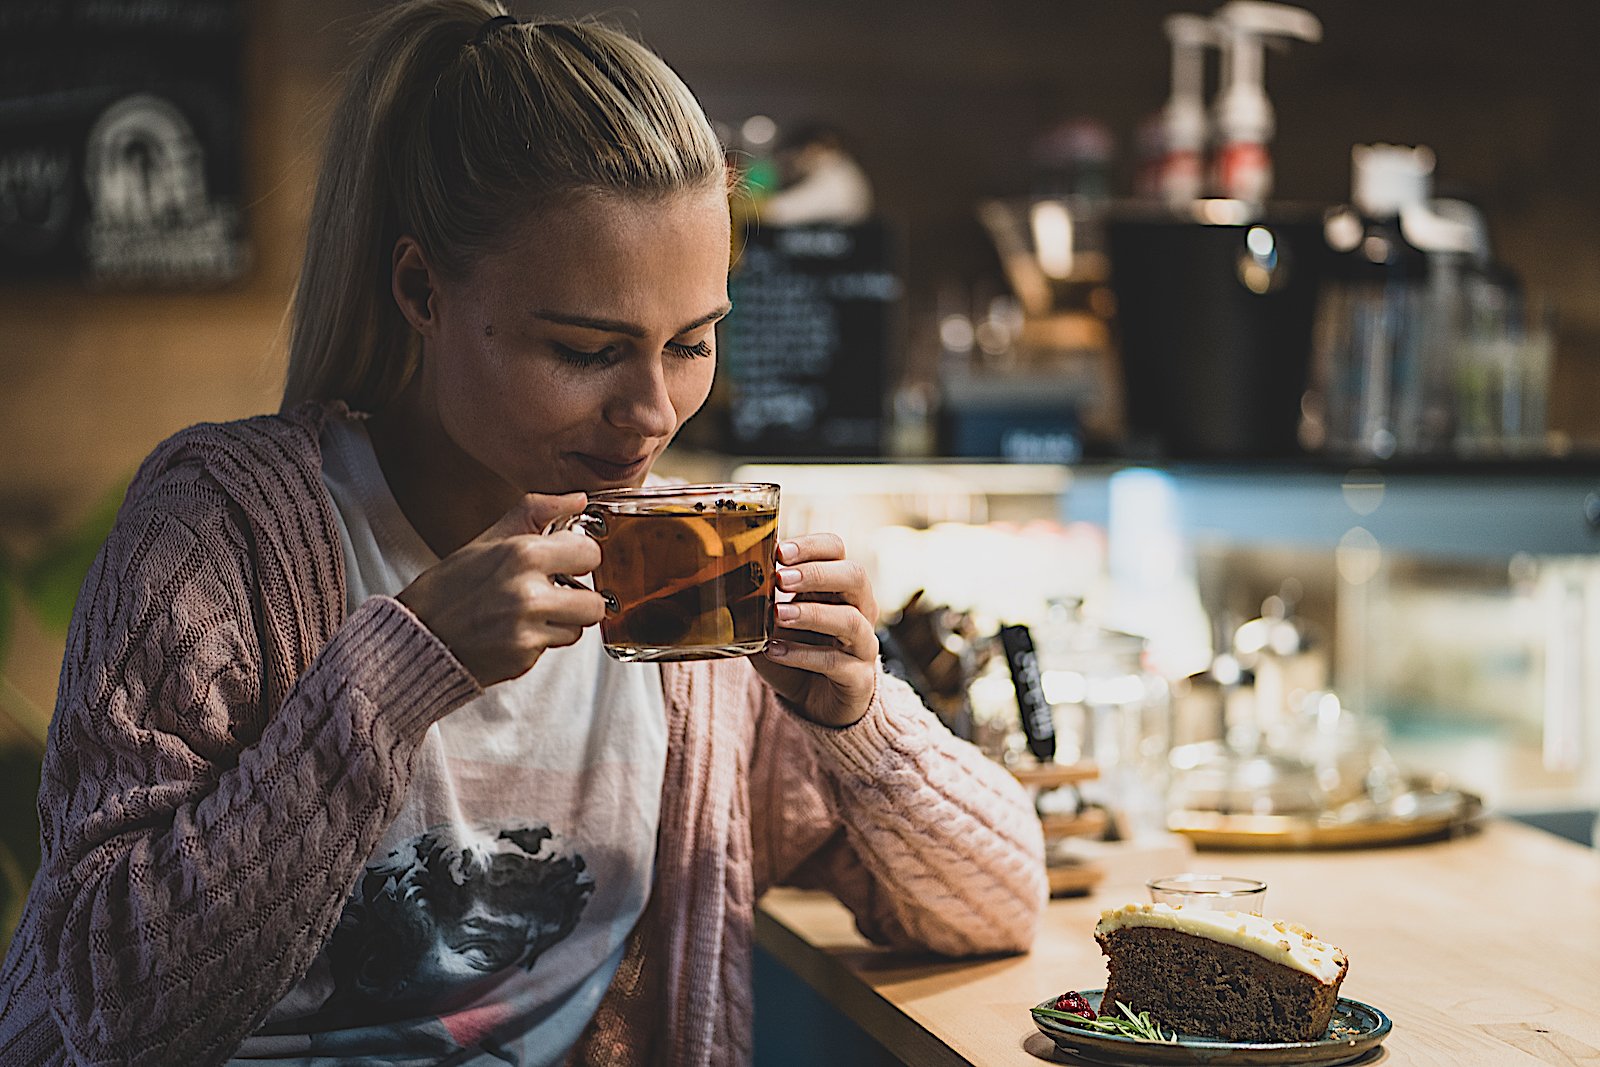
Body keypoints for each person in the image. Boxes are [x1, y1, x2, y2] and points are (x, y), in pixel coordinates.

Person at [0, 2, 1047, 1064]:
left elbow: (998, 907)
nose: (652, 413)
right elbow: (110, 1008)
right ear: (421, 289)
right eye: (588, 350)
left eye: (690, 343)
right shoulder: (226, 525)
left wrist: (858, 720)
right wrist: (398, 671)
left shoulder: (690, 587)